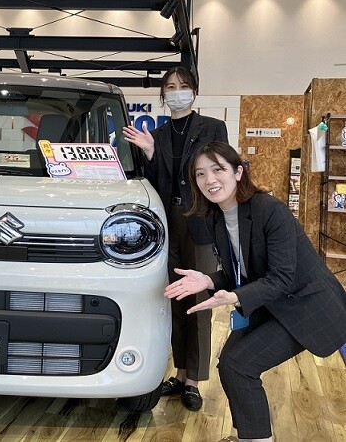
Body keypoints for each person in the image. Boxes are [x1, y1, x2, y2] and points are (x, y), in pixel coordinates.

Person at [165, 141, 346, 442]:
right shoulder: (216, 217)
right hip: (271, 302)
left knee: (240, 364)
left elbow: (283, 277)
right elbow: (242, 270)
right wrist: (208, 280)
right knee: (231, 363)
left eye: (218, 169)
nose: (209, 180)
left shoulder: (269, 210)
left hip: (306, 305)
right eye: (200, 174)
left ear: (238, 172)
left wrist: (235, 297)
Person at [122, 66, 228, 411]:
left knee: (198, 301)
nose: (176, 91)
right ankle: (180, 373)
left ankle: (194, 380)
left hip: (200, 222)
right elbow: (155, 184)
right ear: (163, 94)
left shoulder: (213, 127)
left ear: (194, 91)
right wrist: (151, 154)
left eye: (183, 86)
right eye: (170, 86)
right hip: (168, 223)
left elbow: (220, 172)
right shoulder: (159, 134)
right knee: (175, 301)